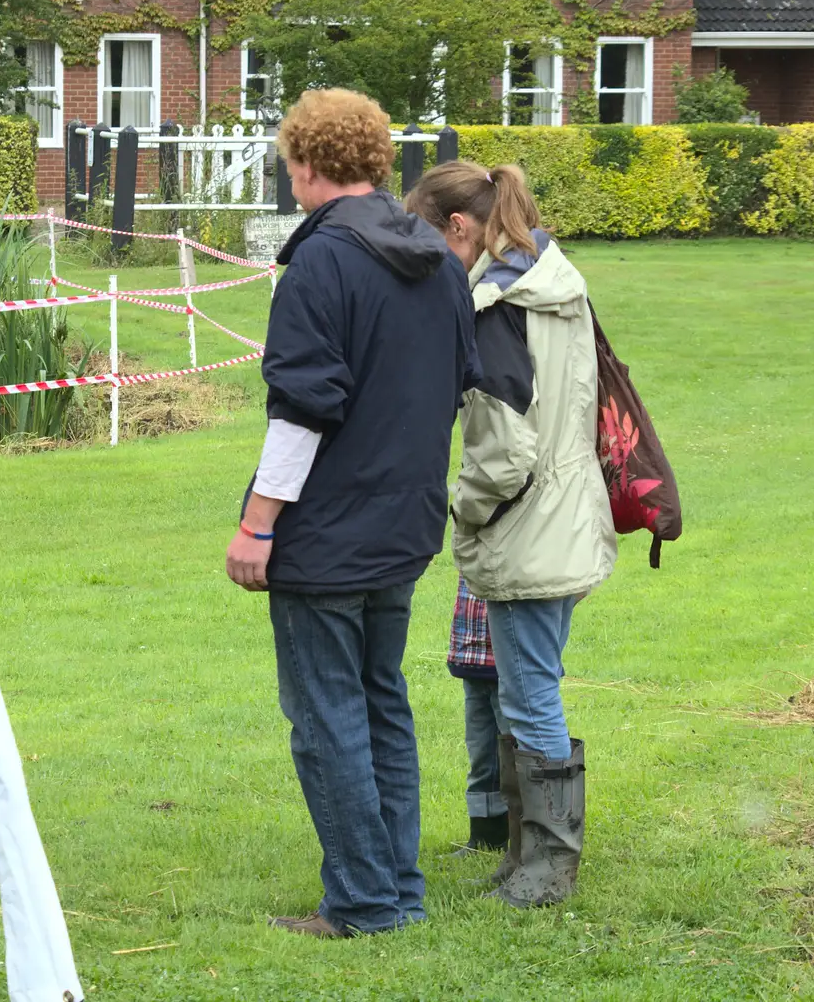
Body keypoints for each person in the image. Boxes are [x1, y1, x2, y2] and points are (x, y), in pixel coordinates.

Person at [224, 88, 480, 938]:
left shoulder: (321, 265)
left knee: (330, 714)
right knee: (380, 703)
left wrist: (258, 523)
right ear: (372, 159)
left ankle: (367, 901)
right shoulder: (442, 260)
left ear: (303, 165)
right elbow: (453, 385)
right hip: (406, 522)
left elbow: (303, 408)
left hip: (329, 533)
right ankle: (395, 889)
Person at [405, 161, 617, 909]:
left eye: (430, 241)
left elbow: (504, 449)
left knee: (529, 698)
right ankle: (525, 851)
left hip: (528, 525)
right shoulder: (555, 282)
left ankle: (547, 867)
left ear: (459, 229)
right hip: (565, 513)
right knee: (527, 689)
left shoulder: (496, 304)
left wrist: (459, 506)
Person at [446, 576, 510, 857]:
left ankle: (529, 837)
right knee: (482, 755)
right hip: (472, 660)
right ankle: (486, 837)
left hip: (511, 664)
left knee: (518, 756)